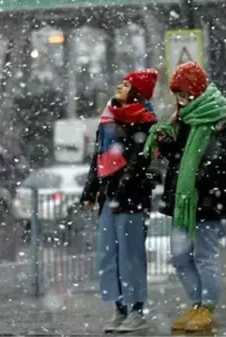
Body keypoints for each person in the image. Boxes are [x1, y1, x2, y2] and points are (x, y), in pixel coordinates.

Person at [143, 61, 226, 332]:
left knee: (205, 255)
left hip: (207, 200)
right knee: (180, 255)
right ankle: (196, 304)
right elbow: (180, 158)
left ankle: (207, 307)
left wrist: (199, 176)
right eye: (177, 95)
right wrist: (168, 145)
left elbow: (222, 160)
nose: (180, 100)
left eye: (184, 93)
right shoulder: (185, 118)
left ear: (196, 90)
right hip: (183, 200)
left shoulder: (217, 117)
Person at [80, 69, 158, 332]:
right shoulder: (107, 118)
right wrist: (90, 191)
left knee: (131, 255)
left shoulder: (145, 121)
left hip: (132, 198)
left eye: (126, 84)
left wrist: (125, 184)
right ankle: (119, 308)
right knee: (108, 254)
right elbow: (98, 157)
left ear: (137, 92)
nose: (119, 86)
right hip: (108, 197)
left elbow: (141, 160)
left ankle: (136, 309)